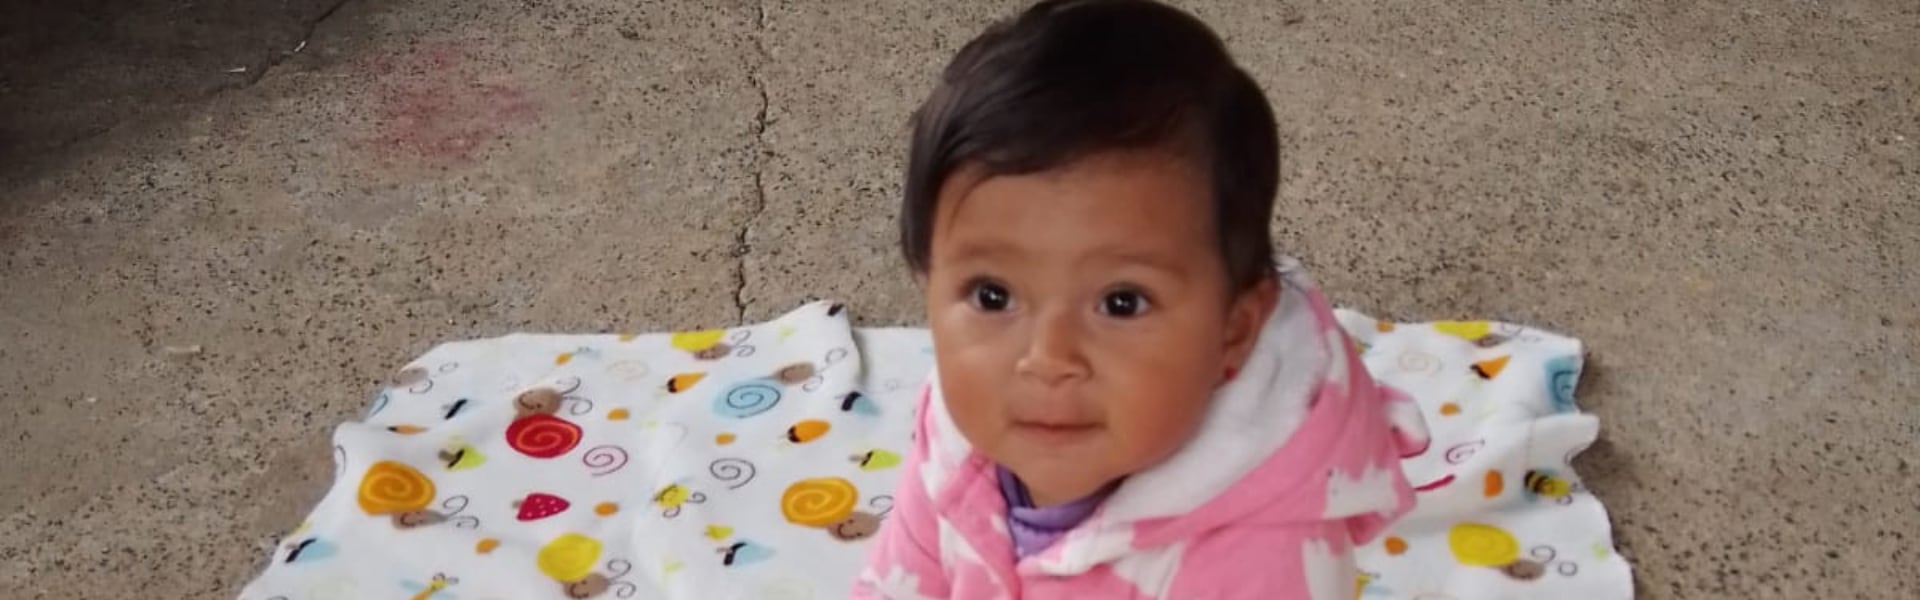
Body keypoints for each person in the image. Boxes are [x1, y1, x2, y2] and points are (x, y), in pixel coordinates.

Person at [853, 1, 1430, 598]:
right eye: (993, 295)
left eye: (1122, 303)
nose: (1048, 358)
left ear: (1233, 330)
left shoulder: (1260, 563)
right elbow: (903, 576)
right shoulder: (958, 435)